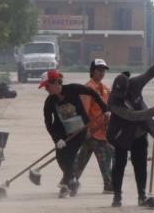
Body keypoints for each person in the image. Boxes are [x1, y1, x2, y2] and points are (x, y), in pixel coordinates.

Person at [106, 54, 154, 208]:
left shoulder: (135, 83)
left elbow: (149, 74)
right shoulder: (113, 101)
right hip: (121, 134)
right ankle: (117, 195)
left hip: (140, 132)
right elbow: (131, 116)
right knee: (119, 164)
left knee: (140, 163)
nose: (121, 96)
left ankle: (141, 195)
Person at [40, 70, 108, 198]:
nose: (46, 89)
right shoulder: (49, 102)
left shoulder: (73, 89)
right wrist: (57, 139)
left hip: (80, 129)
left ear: (55, 83)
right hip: (62, 133)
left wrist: (105, 108)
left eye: (47, 86)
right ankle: (72, 181)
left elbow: (92, 92)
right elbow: (48, 124)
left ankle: (65, 184)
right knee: (61, 158)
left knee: (70, 157)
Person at [72, 59, 115, 194]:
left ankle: (70, 180)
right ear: (92, 71)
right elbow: (83, 111)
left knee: (83, 157)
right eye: (98, 70)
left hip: (102, 131)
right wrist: (86, 130)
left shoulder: (106, 89)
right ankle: (108, 184)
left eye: (103, 70)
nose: (101, 73)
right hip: (92, 131)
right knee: (105, 153)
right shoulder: (87, 89)